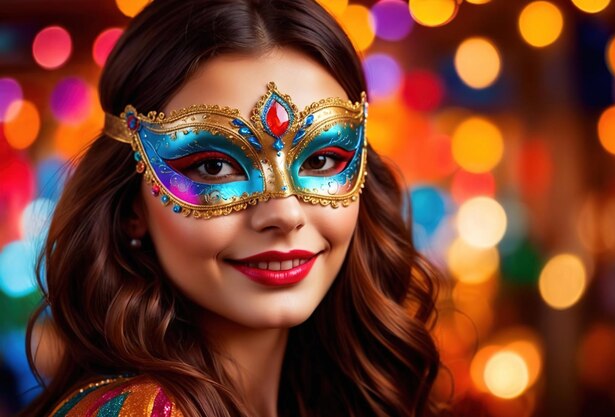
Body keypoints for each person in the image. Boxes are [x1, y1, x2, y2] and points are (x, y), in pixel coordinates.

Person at [20, 0, 442, 416]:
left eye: (320, 160)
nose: (285, 214)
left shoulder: (341, 394)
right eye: (214, 166)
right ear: (132, 204)